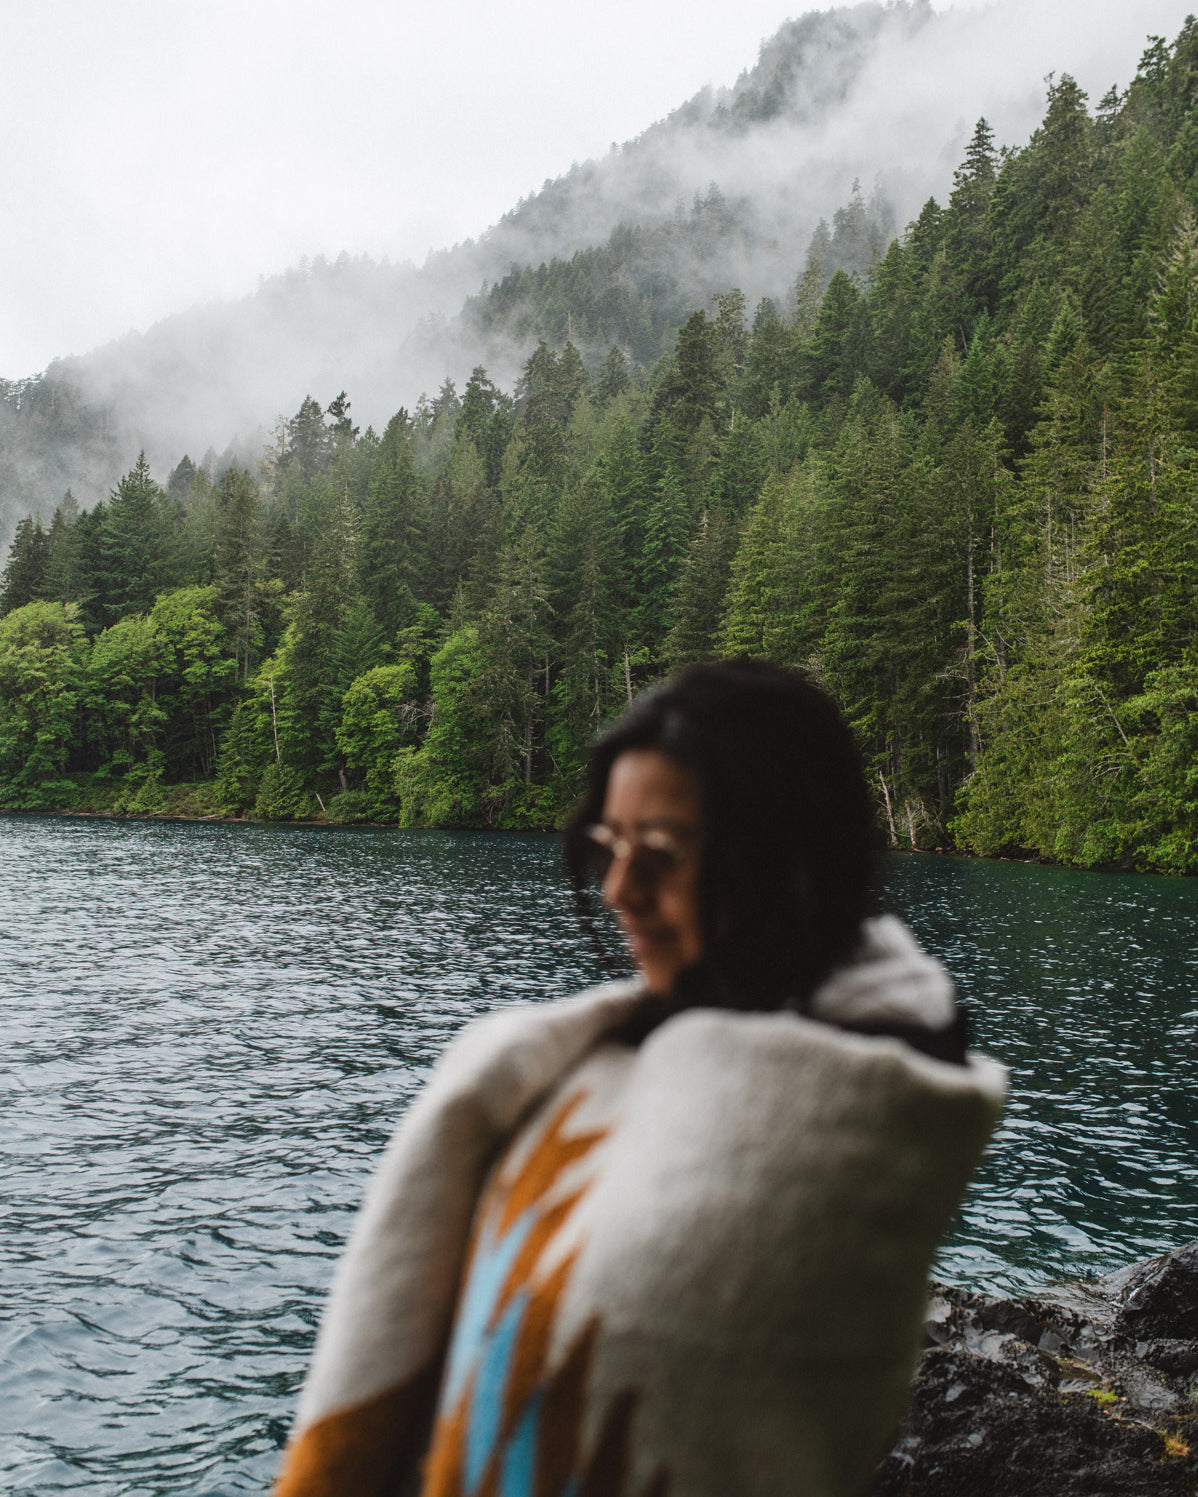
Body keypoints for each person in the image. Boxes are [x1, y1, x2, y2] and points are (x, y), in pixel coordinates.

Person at [274, 660, 1006, 1497]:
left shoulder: (854, 1124)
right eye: (609, 848)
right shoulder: (584, 1059)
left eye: (658, 853)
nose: (618, 888)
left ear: (778, 860)